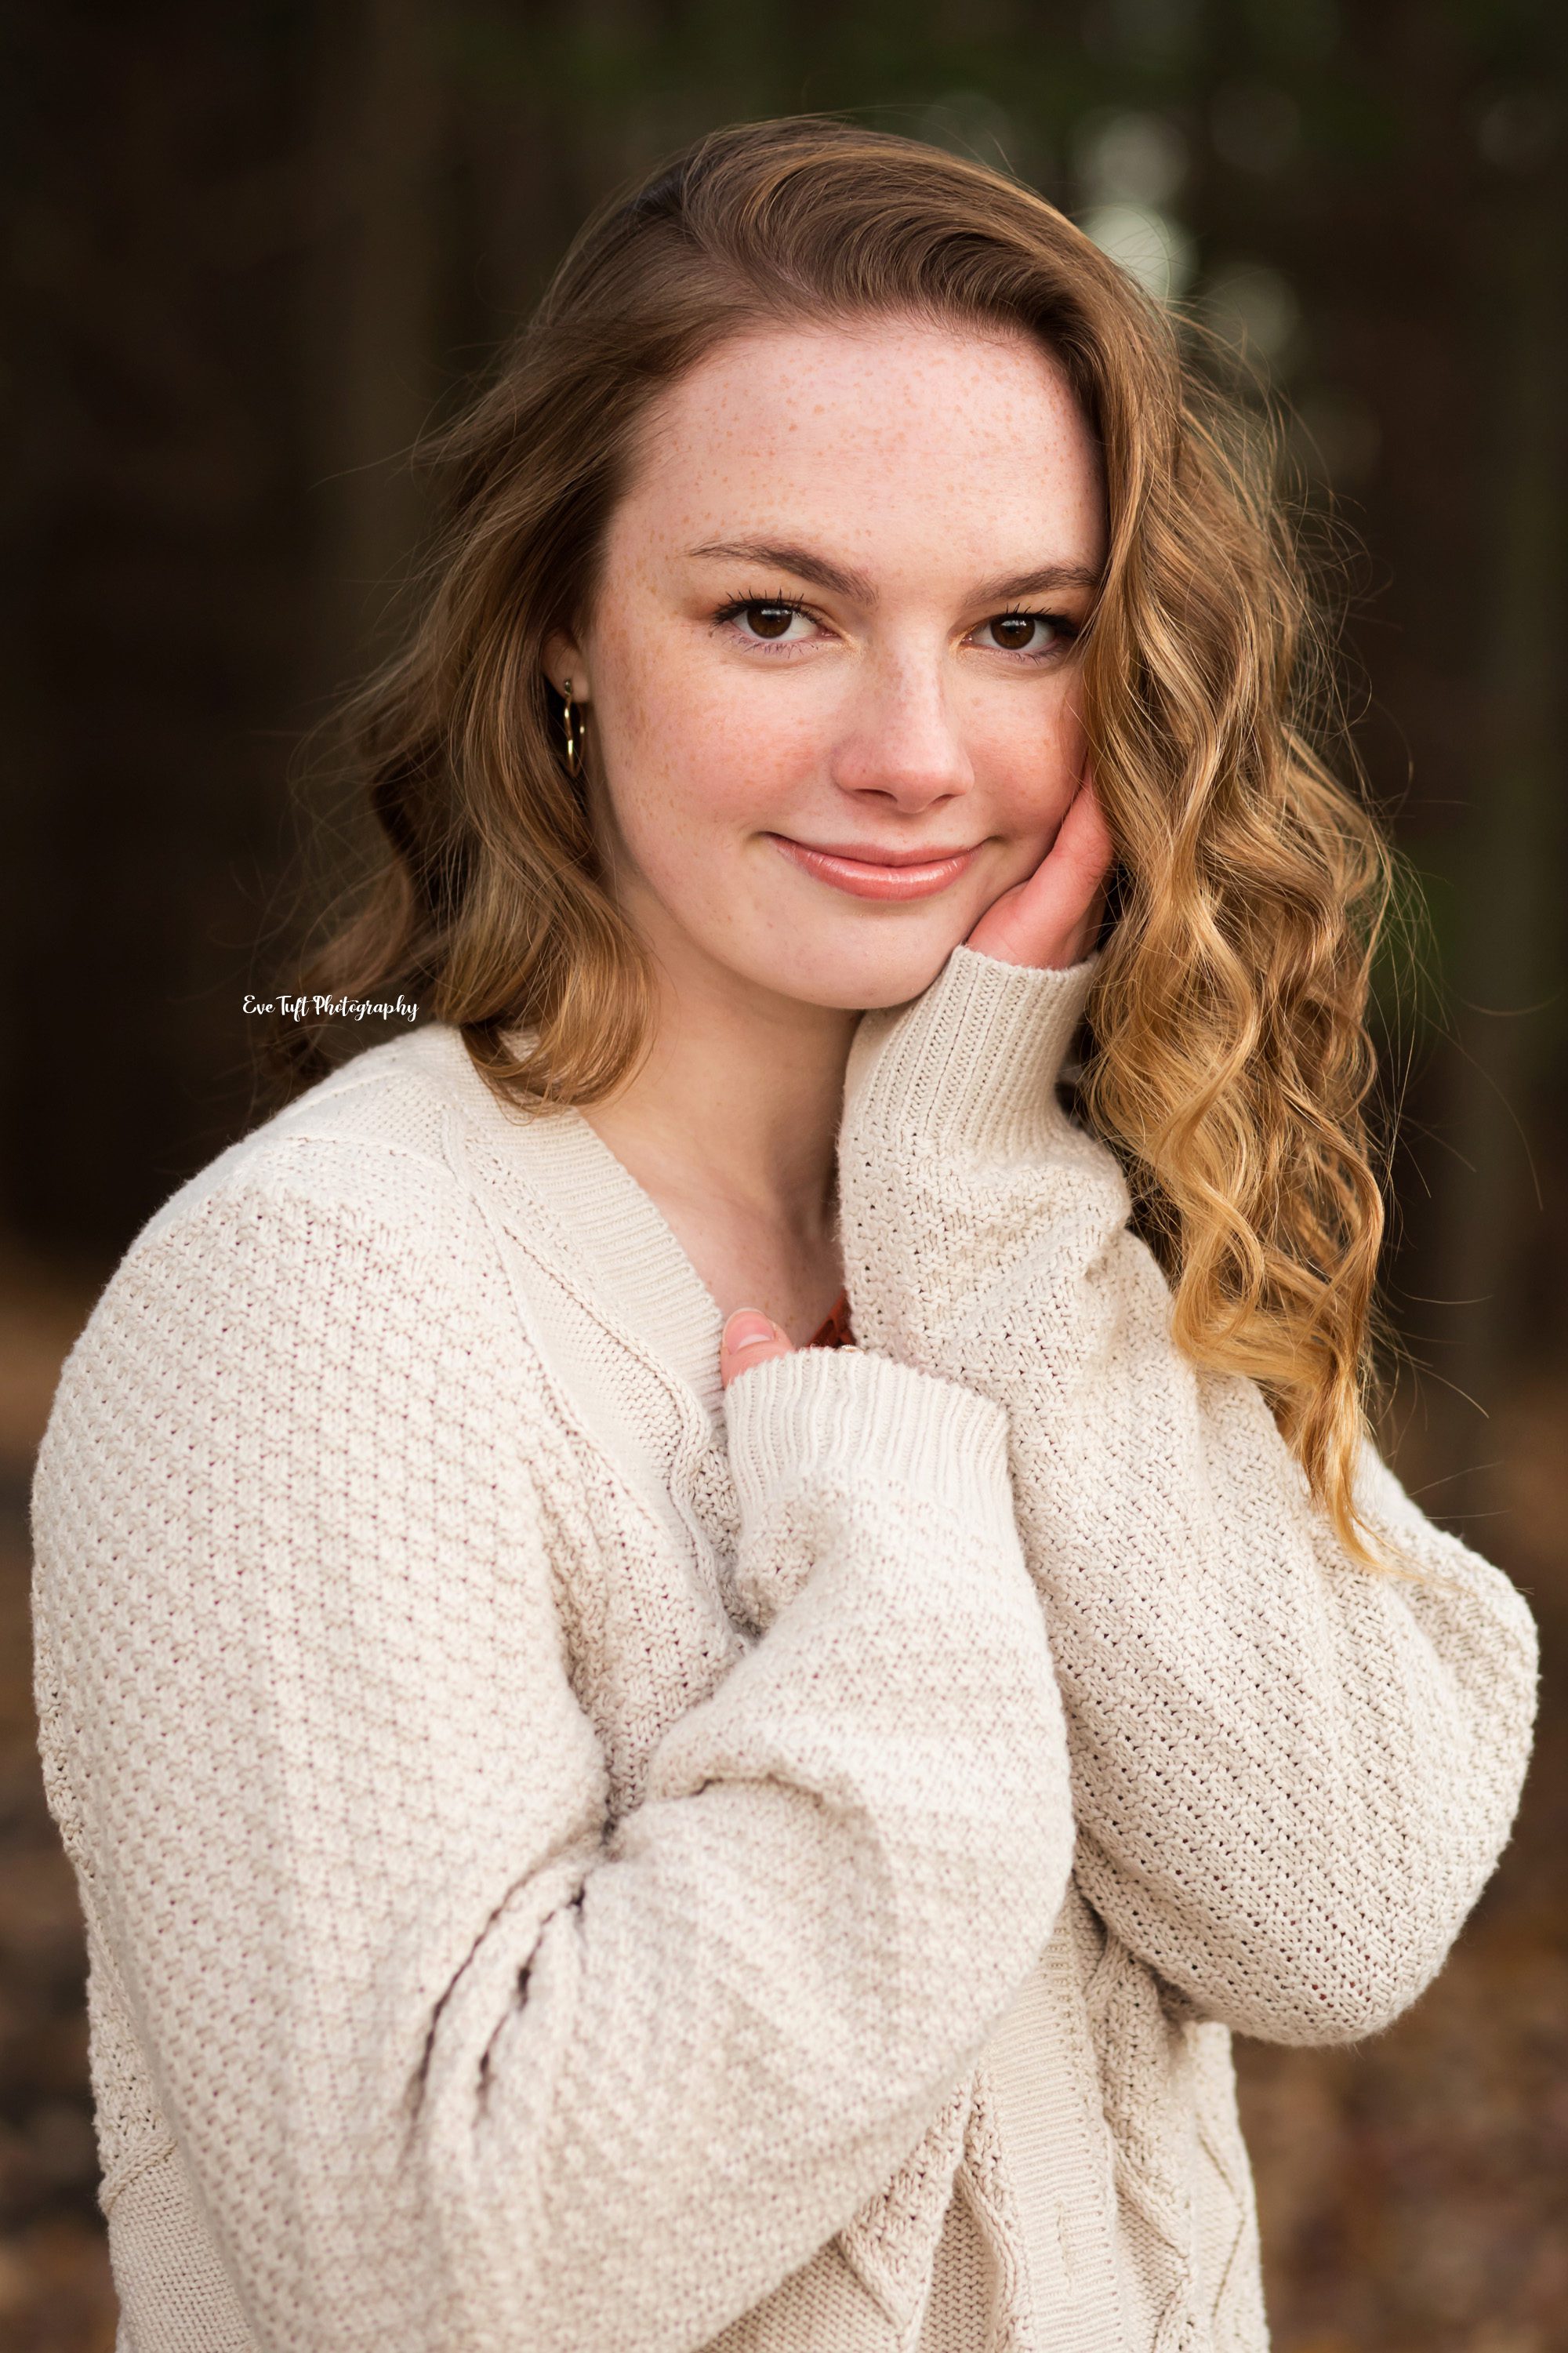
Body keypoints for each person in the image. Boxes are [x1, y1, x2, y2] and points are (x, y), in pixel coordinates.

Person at [30, 117, 1537, 2353]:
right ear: (562, 630)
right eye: (777, 614)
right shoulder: (323, 1297)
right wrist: (900, 1566)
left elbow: (1336, 1901)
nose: (917, 750)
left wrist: (976, 1198)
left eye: (1021, 628)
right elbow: (441, 2270)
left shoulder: (1047, 1230)